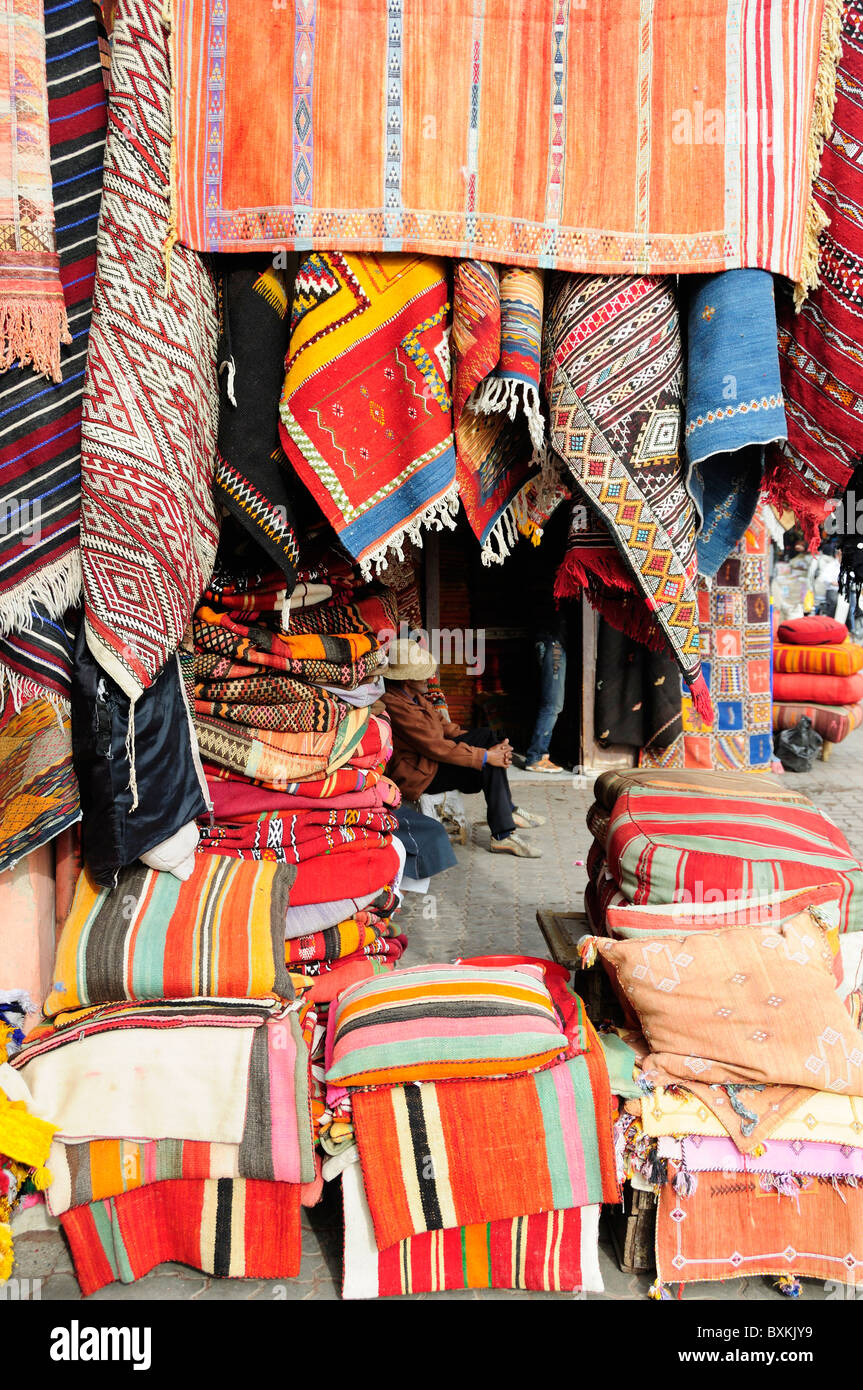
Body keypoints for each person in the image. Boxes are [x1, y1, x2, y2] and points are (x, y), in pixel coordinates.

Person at [381, 639, 544, 858]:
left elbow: (445, 728)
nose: (430, 678)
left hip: (432, 760)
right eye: (423, 673)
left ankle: (507, 811)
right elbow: (437, 747)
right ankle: (504, 832)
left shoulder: (416, 696)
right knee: (489, 761)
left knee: (487, 737)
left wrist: (491, 749)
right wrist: (486, 756)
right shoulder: (395, 704)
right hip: (420, 774)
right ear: (408, 679)